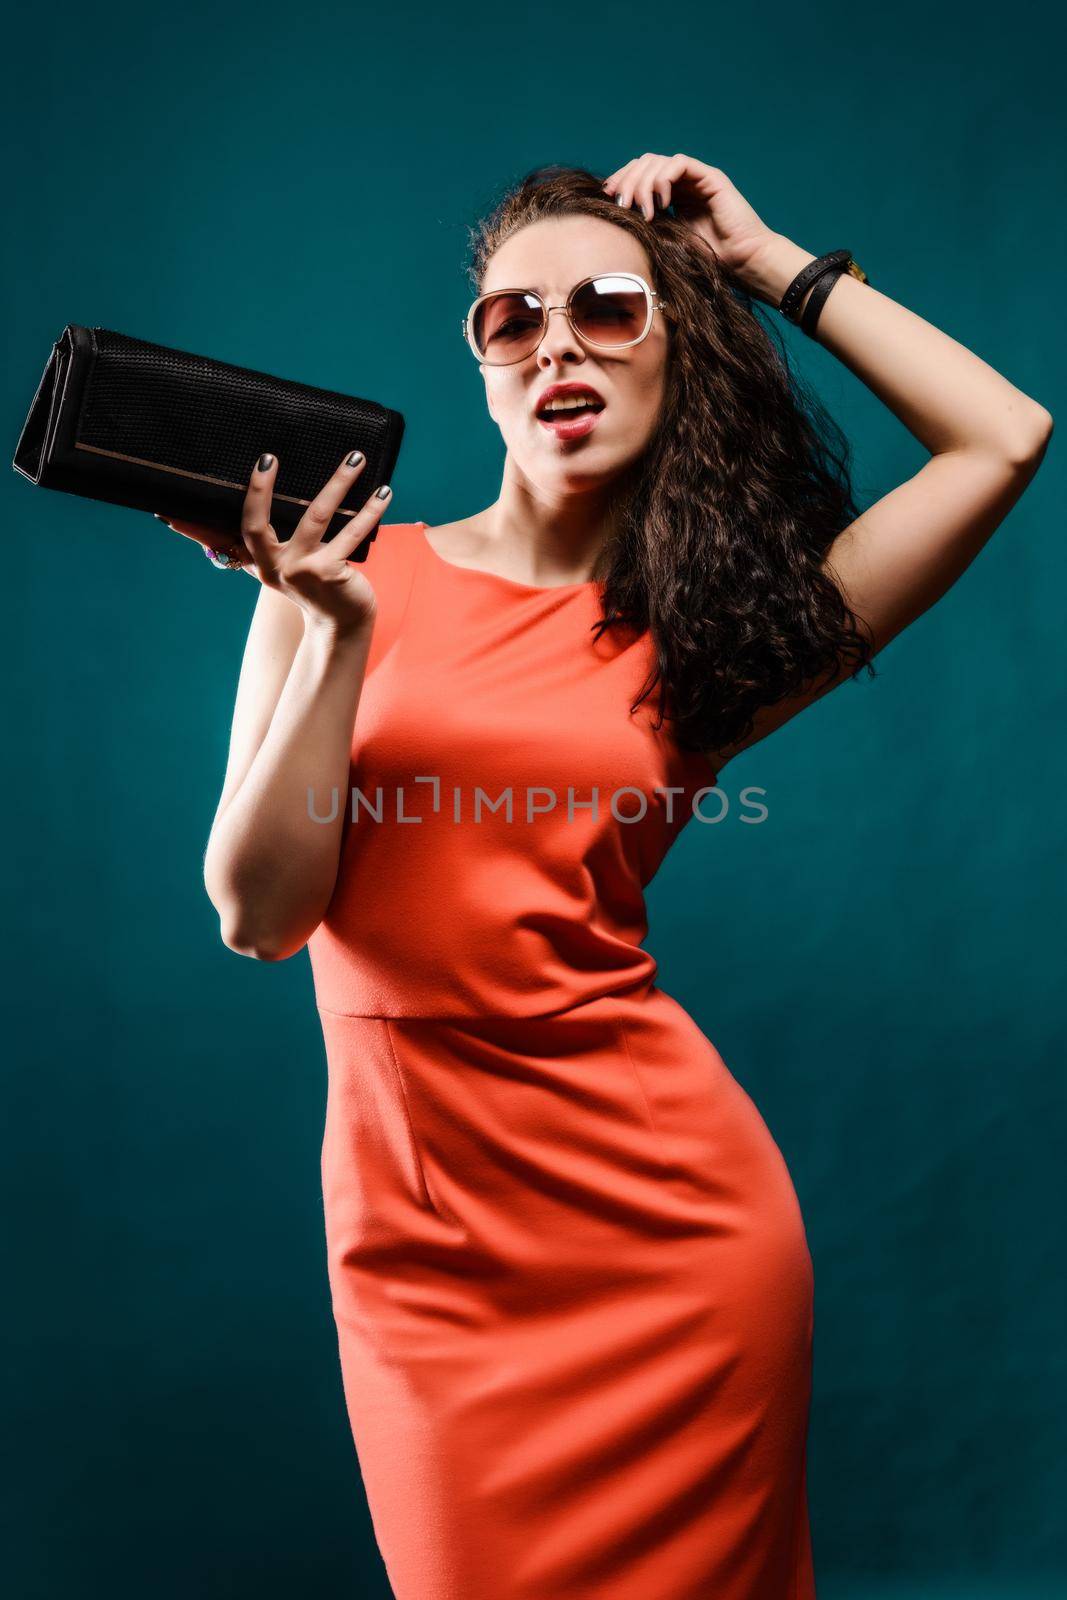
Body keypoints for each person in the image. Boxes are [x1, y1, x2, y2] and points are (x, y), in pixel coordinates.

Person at [162, 157, 1052, 1599]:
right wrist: (330, 632)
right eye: (513, 320)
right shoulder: (338, 576)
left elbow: (1001, 439)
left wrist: (765, 259)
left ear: (676, 350)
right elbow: (259, 919)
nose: (557, 341)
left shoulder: (711, 637)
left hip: (673, 1241)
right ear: (486, 369)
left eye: (609, 307)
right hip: (426, 1239)